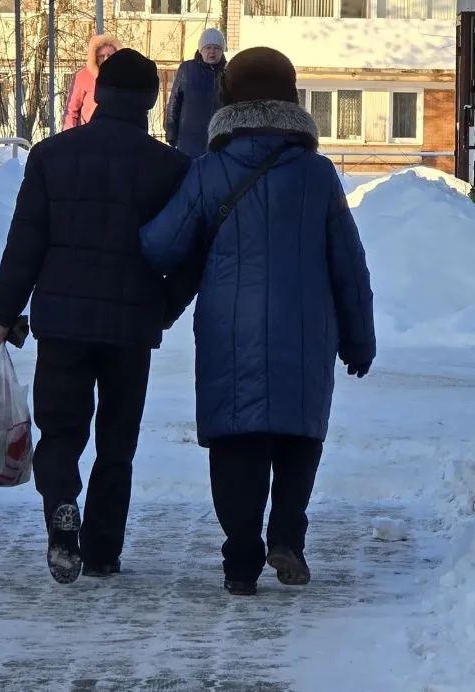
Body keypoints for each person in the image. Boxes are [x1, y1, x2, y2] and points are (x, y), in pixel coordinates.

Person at [139, 46, 376, 596]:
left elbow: (160, 246)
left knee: (235, 445)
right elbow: (349, 262)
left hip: (229, 333)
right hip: (306, 332)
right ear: (291, 101)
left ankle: (240, 561)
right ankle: (287, 537)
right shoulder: (317, 175)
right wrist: (358, 340)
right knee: (298, 438)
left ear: (228, 101)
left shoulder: (209, 172)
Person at [0, 48, 193, 585]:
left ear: (98, 95)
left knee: (62, 432)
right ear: (149, 102)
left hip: (63, 325)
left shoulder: (52, 156)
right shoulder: (170, 167)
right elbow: (190, 254)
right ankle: (102, 552)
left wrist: (0, 313)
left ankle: (61, 512)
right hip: (131, 330)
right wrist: (161, 310)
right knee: (117, 444)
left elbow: (25, 243)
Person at [165, 28, 227, 158]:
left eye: (216, 48)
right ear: (200, 50)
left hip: (219, 141)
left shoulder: (228, 72)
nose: (211, 52)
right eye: (208, 47)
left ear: (222, 51)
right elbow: (174, 101)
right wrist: (171, 132)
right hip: (189, 140)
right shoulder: (187, 69)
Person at [62, 34, 120, 131]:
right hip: (88, 134)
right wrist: (69, 138)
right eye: (101, 56)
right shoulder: (83, 76)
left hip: (115, 135)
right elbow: (71, 111)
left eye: (109, 55)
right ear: (95, 57)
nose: (106, 59)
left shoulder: (122, 77)